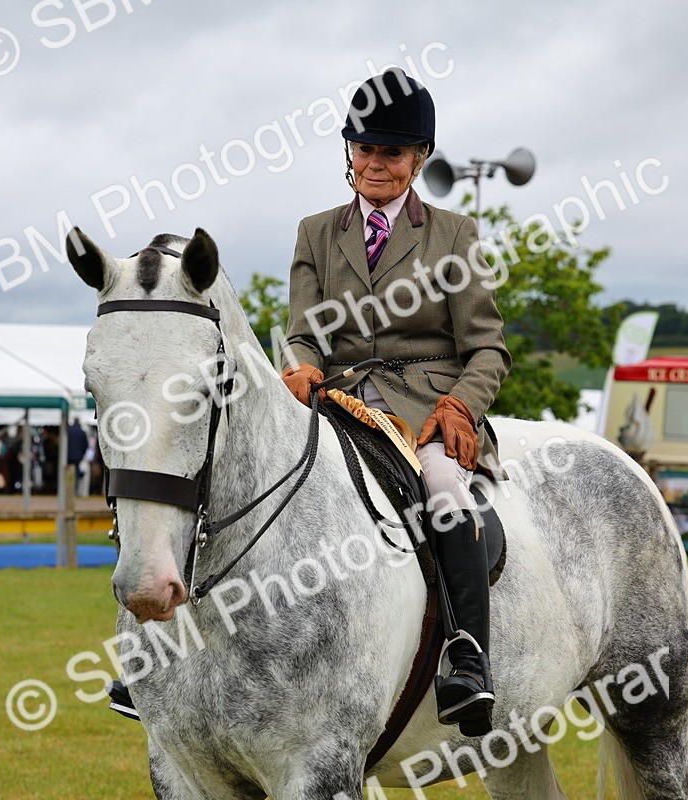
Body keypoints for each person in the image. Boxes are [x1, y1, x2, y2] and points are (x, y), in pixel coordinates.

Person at [280, 69, 511, 736]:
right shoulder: (315, 232)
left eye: (391, 153)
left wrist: (463, 406)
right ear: (348, 152)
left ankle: (468, 656)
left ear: (419, 161)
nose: (374, 164)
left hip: (426, 405)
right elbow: (301, 331)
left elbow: (488, 347)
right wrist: (300, 369)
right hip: (340, 400)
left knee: (442, 485)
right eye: (364, 150)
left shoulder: (453, 234)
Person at [66, 419, 89, 496]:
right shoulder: (82, 432)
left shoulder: (69, 431)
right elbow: (86, 445)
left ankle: (69, 488)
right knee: (77, 472)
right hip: (78, 456)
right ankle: (75, 489)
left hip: (69, 456)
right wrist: (82, 454)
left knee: (69, 472)